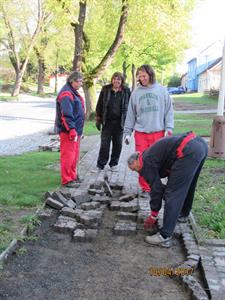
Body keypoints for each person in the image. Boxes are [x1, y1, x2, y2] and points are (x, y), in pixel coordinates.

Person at [127, 132, 208, 248]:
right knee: (188, 185)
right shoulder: (148, 155)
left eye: (134, 169)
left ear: (135, 162)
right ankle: (183, 214)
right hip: (200, 145)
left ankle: (165, 236)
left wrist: (153, 215)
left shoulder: (145, 163)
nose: (138, 172)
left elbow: (156, 190)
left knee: (172, 193)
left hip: (188, 151)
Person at [124, 64, 174, 194]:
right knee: (141, 161)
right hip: (141, 132)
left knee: (157, 160)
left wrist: (169, 128)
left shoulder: (162, 91)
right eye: (140, 76)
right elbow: (131, 114)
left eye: (144, 76)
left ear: (150, 75)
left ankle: (155, 185)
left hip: (158, 132)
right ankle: (145, 187)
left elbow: (169, 111)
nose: (142, 78)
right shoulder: (136, 93)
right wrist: (127, 133)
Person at [94, 72, 131, 172]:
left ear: (122, 81)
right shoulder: (105, 89)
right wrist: (98, 118)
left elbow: (131, 106)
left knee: (118, 145)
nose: (116, 81)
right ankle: (100, 165)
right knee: (104, 145)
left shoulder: (126, 90)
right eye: (115, 79)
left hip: (120, 123)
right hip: (107, 122)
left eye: (119, 79)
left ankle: (114, 164)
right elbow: (99, 104)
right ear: (112, 80)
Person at [55, 71, 85, 188]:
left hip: (75, 130)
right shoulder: (66, 94)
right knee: (68, 156)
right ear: (72, 81)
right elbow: (66, 114)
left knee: (74, 155)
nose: (81, 83)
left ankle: (72, 176)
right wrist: (72, 129)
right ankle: (67, 179)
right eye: (79, 81)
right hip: (68, 131)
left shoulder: (72, 92)